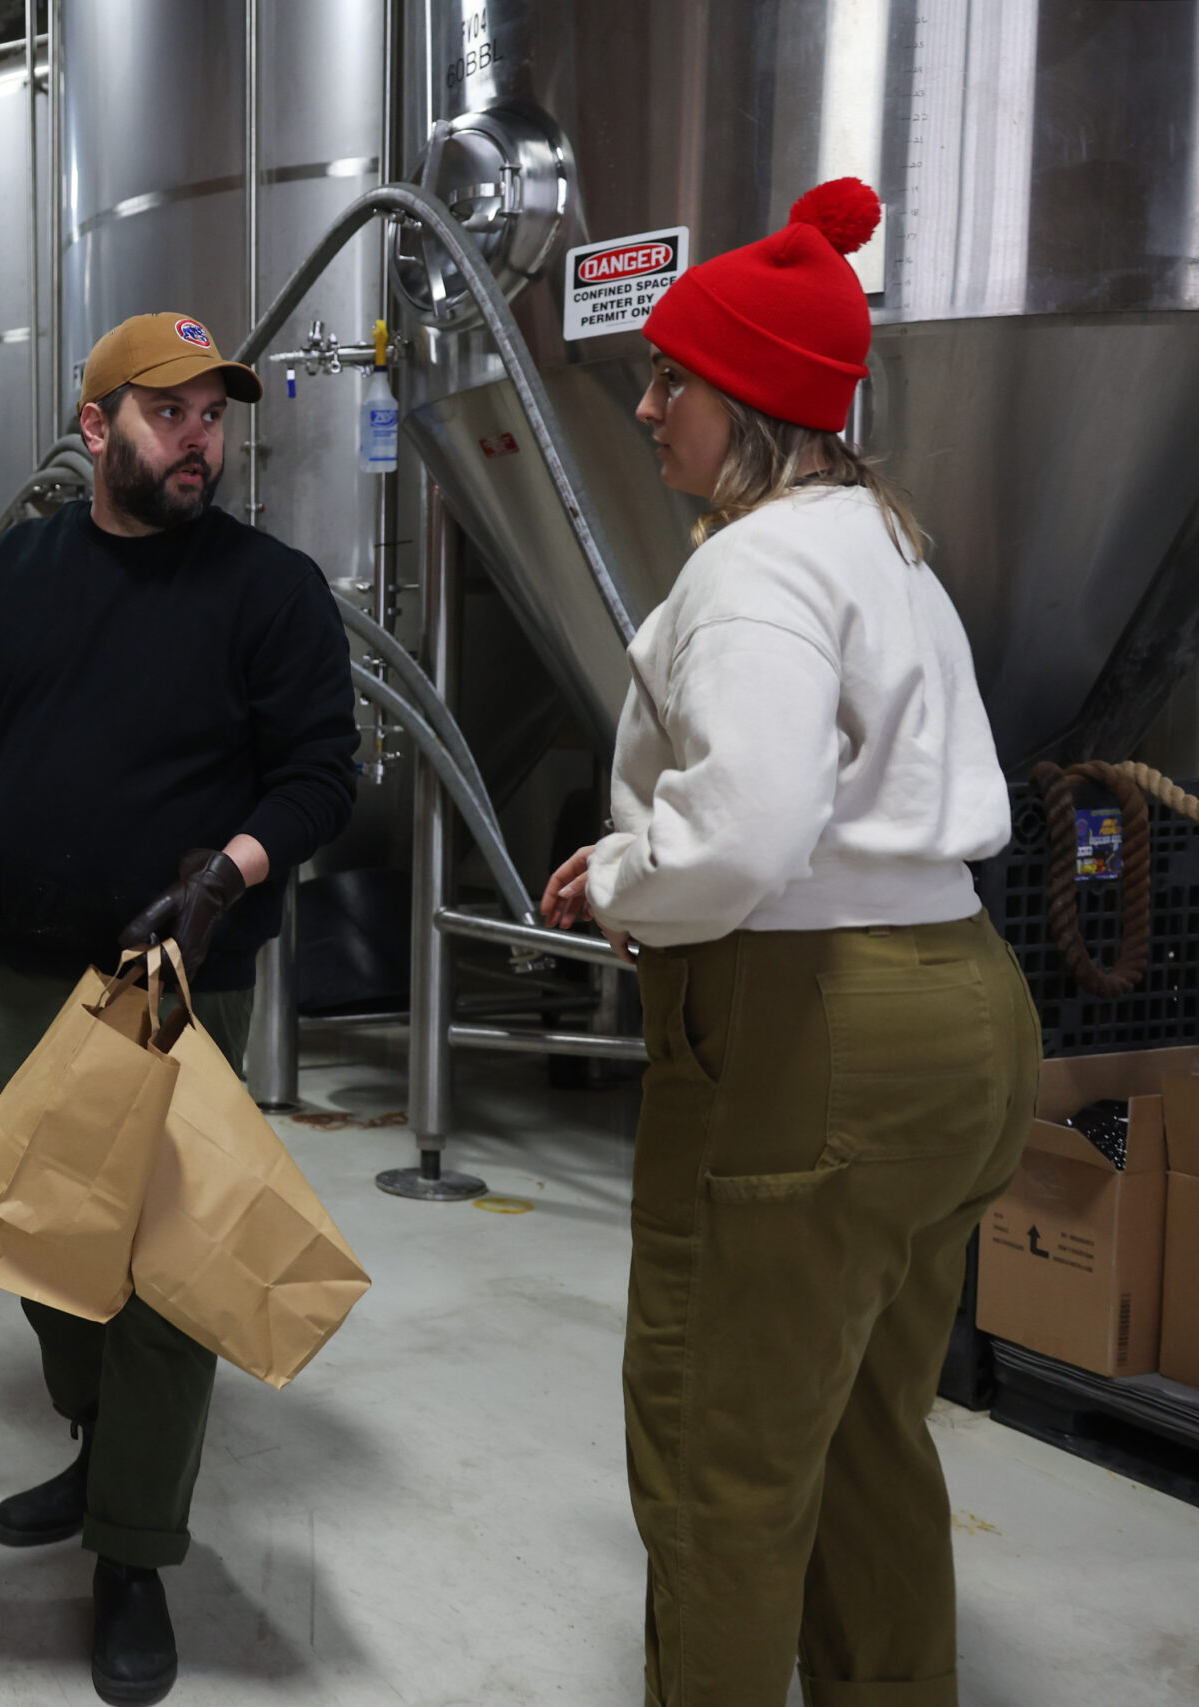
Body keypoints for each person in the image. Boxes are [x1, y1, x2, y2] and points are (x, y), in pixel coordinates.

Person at [539, 179, 1035, 1707]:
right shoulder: (886, 544)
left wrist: (627, 875)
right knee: (874, 1427)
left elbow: (747, 832)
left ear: (744, 395)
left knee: (722, 1464)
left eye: (671, 379)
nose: (645, 406)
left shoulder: (753, 566)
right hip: (960, 1010)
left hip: (813, 1029)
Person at [0, 312, 360, 1707]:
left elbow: (322, 774)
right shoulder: (10, 576)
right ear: (96, 429)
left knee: (161, 1268)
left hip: (173, 976)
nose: (202, 437)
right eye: (170, 411)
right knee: (29, 1227)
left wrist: (226, 873)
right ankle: (98, 1439)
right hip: (19, 961)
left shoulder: (270, 589)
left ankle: (134, 1547)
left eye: (215, 414)